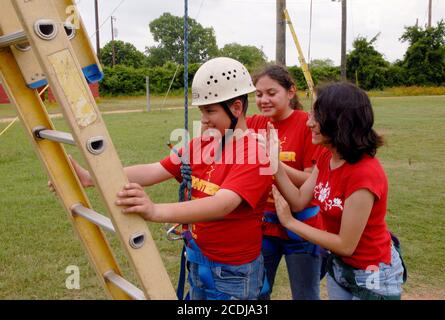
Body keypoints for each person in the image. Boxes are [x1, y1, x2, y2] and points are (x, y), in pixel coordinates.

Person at [67, 57, 273, 300]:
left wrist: (155, 211)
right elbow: (155, 170)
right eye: (201, 111)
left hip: (232, 275)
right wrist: (93, 177)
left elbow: (223, 204)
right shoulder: (204, 142)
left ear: (236, 108)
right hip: (198, 260)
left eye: (210, 110)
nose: (204, 119)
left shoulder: (255, 154)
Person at [271, 82, 406, 300]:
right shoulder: (327, 156)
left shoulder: (364, 174)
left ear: (340, 122)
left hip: (373, 274)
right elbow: (298, 200)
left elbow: (346, 244)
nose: (309, 123)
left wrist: (290, 223)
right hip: (340, 265)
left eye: (317, 116)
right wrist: (273, 163)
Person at [246, 64, 324, 300]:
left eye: (271, 93)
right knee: (257, 293)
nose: (264, 100)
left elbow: (312, 181)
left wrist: (276, 162)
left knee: (305, 295)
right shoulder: (254, 124)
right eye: (259, 95)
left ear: (291, 92)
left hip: (302, 227)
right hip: (265, 226)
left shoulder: (308, 125)